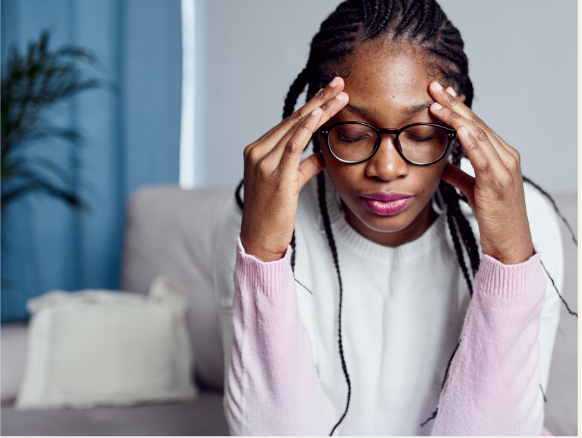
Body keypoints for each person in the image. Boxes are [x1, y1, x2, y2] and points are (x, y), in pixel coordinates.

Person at [212, 0, 569, 435]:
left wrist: (510, 259)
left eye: (420, 135)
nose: (386, 168)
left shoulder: (523, 218)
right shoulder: (258, 214)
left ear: (457, 131)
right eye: (352, 134)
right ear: (314, 128)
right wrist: (263, 257)